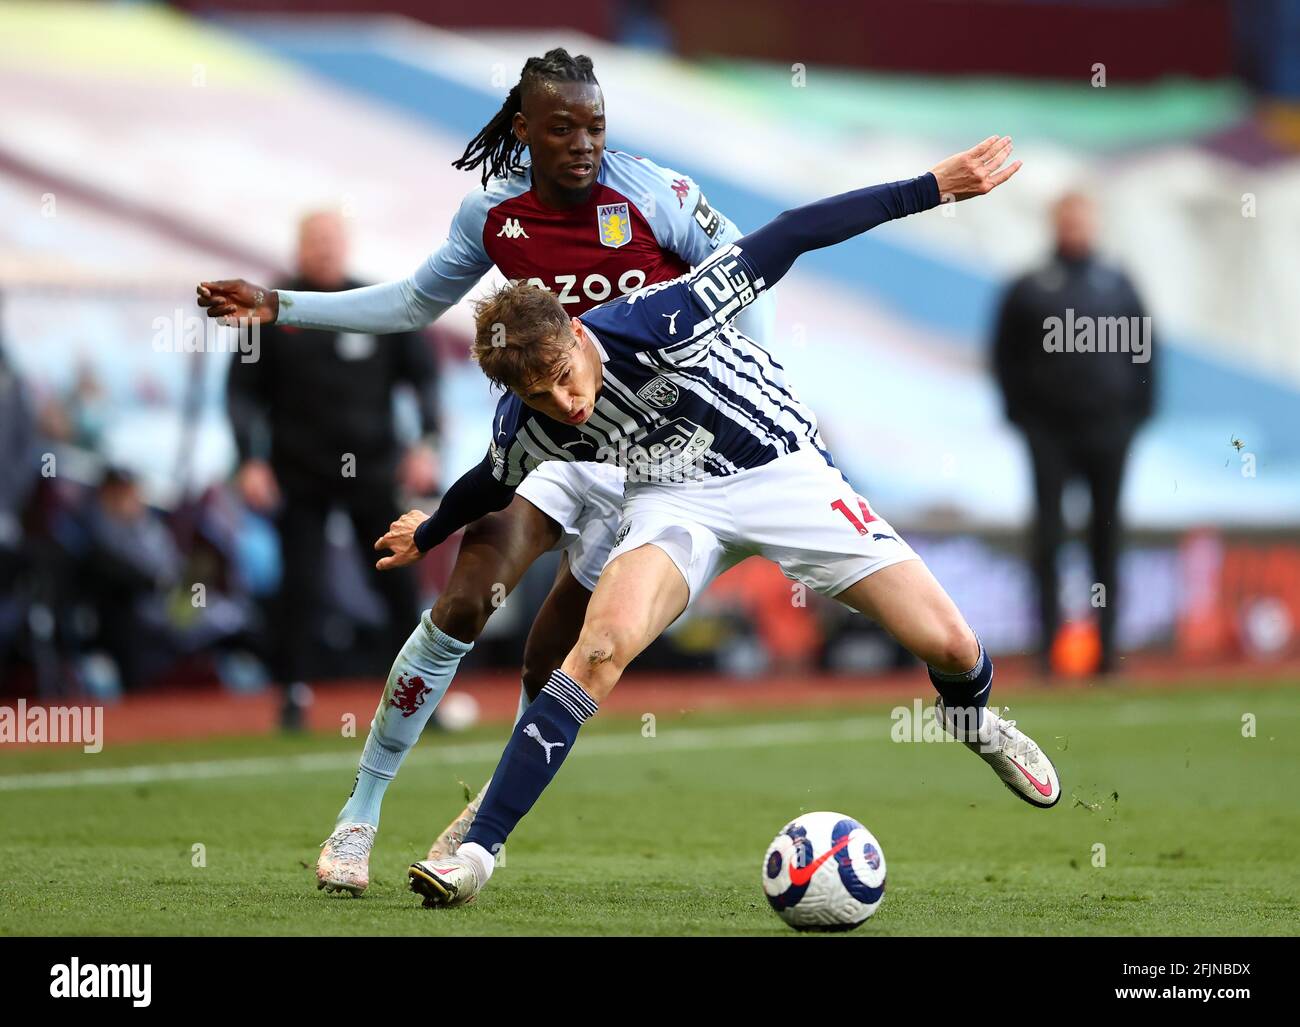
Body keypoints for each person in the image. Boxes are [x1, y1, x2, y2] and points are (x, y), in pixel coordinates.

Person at [379, 135, 1064, 910]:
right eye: (540, 396)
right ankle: (478, 850)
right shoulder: (527, 422)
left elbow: (793, 231)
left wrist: (932, 186)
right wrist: (430, 531)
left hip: (781, 472)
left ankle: (972, 720)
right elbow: (488, 481)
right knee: (597, 650)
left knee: (949, 642)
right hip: (673, 505)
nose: (565, 404)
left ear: (577, 335)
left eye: (565, 379)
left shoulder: (662, 318)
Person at [197, 48, 772, 895]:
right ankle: (359, 814)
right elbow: (410, 302)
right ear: (522, 130)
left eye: (596, 126)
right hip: (550, 444)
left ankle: (482, 816)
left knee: (552, 669)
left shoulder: (661, 195)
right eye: (563, 127)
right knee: (463, 600)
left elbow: (744, 281)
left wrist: (744, 385)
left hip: (650, 466)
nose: (583, 144)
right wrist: (282, 305)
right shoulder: (494, 215)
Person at [224, 210, 440, 722]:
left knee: (397, 579)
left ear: (345, 245)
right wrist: (247, 460)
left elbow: (424, 377)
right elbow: (239, 393)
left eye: (331, 239)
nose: (323, 249)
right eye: (313, 240)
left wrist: (426, 444)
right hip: (299, 471)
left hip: (374, 470)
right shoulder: (270, 311)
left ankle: (417, 695)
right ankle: (293, 695)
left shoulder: (372, 304)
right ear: (298, 247)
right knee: (299, 582)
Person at [992, 191, 1154, 675]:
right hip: (1049, 434)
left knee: (1106, 536)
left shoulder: (1118, 285)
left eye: (1083, 220)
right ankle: (1048, 649)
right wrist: (1024, 419)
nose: (1075, 229)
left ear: (1095, 224)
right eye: (1067, 220)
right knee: (1048, 536)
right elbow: (1005, 358)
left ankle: (1107, 653)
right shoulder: (1030, 287)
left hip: (1109, 431)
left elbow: (1146, 354)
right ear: (1054, 224)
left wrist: (1133, 418)